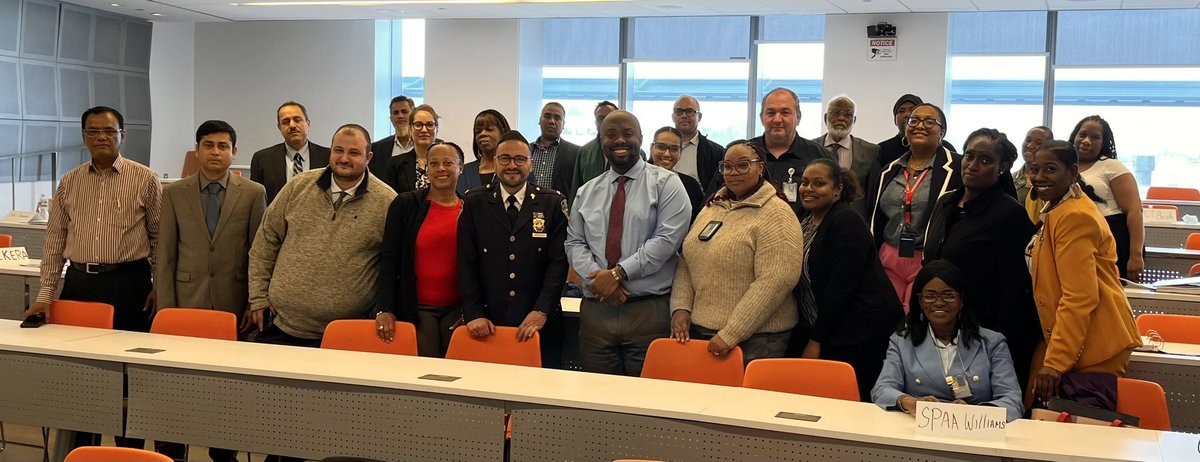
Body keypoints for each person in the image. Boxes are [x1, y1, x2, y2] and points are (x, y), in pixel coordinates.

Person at [23, 106, 160, 452]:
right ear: (84, 136)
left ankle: (126, 454)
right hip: (81, 285)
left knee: (129, 377)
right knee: (83, 379)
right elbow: (54, 243)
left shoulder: (145, 178)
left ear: (122, 136)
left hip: (130, 284)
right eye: (93, 131)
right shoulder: (69, 181)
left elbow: (159, 238)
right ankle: (84, 452)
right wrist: (45, 296)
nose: (101, 137)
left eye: (109, 131)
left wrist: (159, 285)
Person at [155, 121, 260, 461]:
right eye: (209, 145)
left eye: (223, 146)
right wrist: (166, 312)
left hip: (233, 305)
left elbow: (258, 253)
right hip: (186, 304)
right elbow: (166, 254)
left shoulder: (253, 193)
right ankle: (174, 451)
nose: (216, 152)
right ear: (197, 150)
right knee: (178, 387)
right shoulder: (173, 192)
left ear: (234, 153)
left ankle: (223, 453)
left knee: (227, 389)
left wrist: (253, 303)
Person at [565, 110, 691, 376]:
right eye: (610, 135)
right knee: (596, 402)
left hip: (648, 311)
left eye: (627, 134)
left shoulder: (667, 184)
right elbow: (574, 243)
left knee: (646, 403)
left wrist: (618, 274)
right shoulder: (585, 192)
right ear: (601, 142)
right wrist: (599, 281)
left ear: (641, 139)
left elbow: (666, 241)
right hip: (596, 312)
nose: (619, 140)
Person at [247, 124, 396, 348]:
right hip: (279, 326)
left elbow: (392, 266)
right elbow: (265, 242)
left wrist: (379, 310)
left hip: (347, 332)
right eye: (338, 150)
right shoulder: (298, 186)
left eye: (354, 153)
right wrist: (258, 298)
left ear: (369, 157)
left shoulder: (387, 201)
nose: (344, 158)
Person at [924, 128, 1040, 393]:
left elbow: (1016, 291)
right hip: (943, 329)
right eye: (969, 156)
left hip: (986, 336)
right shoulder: (947, 203)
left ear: (1002, 168)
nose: (973, 166)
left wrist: (992, 345)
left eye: (985, 160)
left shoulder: (1009, 215)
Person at [1026, 140, 1141, 404]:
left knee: (1078, 436)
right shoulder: (1057, 208)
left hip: (1093, 345)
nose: (1040, 177)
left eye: (1050, 169)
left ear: (1073, 171)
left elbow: (1080, 297)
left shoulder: (1074, 216)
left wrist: (1056, 362)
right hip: (1072, 338)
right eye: (1034, 169)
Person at [669, 140, 801, 364]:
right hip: (703, 332)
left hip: (758, 341)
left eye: (743, 165)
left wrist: (732, 333)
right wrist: (680, 307)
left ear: (760, 168)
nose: (733, 173)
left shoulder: (776, 213)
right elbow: (687, 257)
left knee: (744, 401)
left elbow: (776, 280)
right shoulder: (713, 206)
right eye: (727, 166)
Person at [794, 158, 903, 400]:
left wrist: (816, 339)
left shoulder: (846, 220)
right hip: (827, 324)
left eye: (818, 183)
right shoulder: (805, 216)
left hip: (859, 329)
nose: (808, 188)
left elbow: (841, 287)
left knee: (851, 401)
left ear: (837, 190)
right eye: (804, 182)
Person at [458, 131, 569, 367]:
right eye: (505, 158)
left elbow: (558, 264)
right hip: (487, 322)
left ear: (531, 163)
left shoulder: (552, 203)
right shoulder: (474, 202)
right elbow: (466, 263)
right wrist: (474, 312)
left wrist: (542, 310)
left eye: (520, 159)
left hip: (539, 320)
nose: (512, 165)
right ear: (495, 162)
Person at [871, 260, 1024, 422]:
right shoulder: (902, 341)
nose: (939, 302)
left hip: (975, 430)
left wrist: (973, 413)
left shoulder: (993, 343)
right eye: (930, 296)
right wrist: (911, 403)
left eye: (948, 295)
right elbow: (882, 389)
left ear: (961, 300)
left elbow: (1013, 401)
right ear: (920, 301)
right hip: (919, 426)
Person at [865, 103, 962, 311]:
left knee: (917, 318)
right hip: (889, 257)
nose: (920, 125)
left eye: (930, 121)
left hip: (929, 258)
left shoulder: (957, 169)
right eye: (913, 120)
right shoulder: (889, 170)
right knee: (885, 316)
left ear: (942, 132)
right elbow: (876, 217)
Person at [375, 142, 465, 358]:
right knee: (425, 373)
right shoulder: (405, 205)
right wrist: (384, 308)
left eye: (448, 163)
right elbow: (389, 259)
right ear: (426, 169)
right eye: (434, 164)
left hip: (458, 310)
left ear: (461, 167)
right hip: (416, 309)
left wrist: (474, 310)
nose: (441, 169)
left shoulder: (471, 208)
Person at [709, 88, 834, 202]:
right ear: (762, 118)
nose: (777, 120)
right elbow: (713, 200)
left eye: (785, 113)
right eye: (771, 113)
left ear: (798, 117)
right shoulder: (739, 155)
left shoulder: (820, 157)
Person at [1069, 116, 1144, 281]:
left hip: (1112, 236)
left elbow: (1134, 211)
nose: (1086, 141)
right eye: (1082, 134)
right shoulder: (1064, 166)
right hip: (1076, 237)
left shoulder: (1110, 166)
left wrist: (1136, 255)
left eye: (1095, 137)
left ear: (1103, 143)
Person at [250, 101, 331, 204]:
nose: (292, 125)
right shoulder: (261, 159)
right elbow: (256, 201)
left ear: (308, 124)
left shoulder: (328, 156)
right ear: (279, 128)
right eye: (286, 122)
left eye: (297, 120)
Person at [810, 95, 880, 214]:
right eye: (835, 113)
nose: (841, 118)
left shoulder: (870, 151)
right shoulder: (810, 148)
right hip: (816, 217)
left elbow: (872, 195)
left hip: (854, 220)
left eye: (848, 114)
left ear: (854, 120)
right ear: (825, 117)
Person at [876, 94, 956, 167]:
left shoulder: (947, 150)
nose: (907, 114)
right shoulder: (881, 149)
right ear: (895, 119)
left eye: (912, 110)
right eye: (901, 111)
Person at [567, 100, 620, 207]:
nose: (605, 122)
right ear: (595, 122)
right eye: (601, 119)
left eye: (610, 118)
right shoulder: (585, 151)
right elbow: (576, 187)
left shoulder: (632, 151)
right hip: (589, 214)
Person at [649, 126, 704, 221]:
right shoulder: (637, 179)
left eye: (674, 149)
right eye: (661, 147)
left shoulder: (691, 185)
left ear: (680, 152)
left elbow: (696, 221)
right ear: (651, 147)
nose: (667, 154)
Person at [382, 104, 440, 194]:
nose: (424, 130)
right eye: (418, 125)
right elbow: (389, 199)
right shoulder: (396, 165)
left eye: (430, 124)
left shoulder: (449, 163)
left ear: (436, 129)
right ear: (410, 129)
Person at [671, 95, 725, 188]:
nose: (684, 116)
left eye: (689, 111)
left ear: (699, 117)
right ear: (673, 117)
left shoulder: (715, 152)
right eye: (679, 111)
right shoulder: (661, 149)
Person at [530, 101, 580, 195]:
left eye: (557, 118)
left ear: (563, 124)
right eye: (547, 116)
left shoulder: (577, 153)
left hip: (560, 208)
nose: (551, 121)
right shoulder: (526, 151)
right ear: (539, 120)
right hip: (528, 207)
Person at [459, 109, 511, 193]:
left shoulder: (516, 169)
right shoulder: (464, 173)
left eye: (489, 129)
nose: (482, 134)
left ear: (503, 132)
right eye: (478, 131)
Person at [368, 95, 416, 177]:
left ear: (414, 116)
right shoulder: (377, 149)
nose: (400, 116)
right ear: (391, 119)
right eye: (395, 113)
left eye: (404, 112)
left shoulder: (428, 146)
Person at [1014, 126, 1052, 205]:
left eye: (1038, 143)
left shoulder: (1054, 181)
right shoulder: (1011, 178)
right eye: (1028, 140)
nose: (1029, 145)